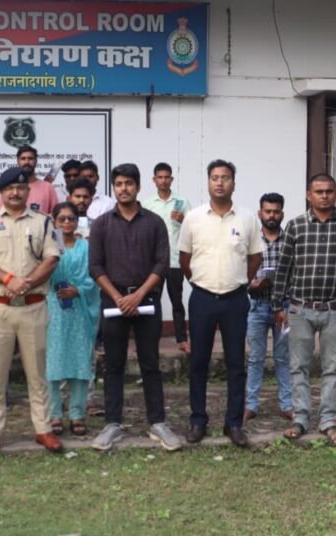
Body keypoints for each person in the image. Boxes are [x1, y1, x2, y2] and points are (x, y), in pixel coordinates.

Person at [272, 174, 336, 447]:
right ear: (309, 195)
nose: (324, 196)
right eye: (318, 192)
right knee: (298, 367)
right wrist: (277, 305)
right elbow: (283, 268)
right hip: (300, 309)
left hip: (334, 310)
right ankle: (300, 418)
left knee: (332, 369)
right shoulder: (295, 226)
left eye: (329, 191)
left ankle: (328, 420)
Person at [89, 163, 181, 452]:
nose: (124, 188)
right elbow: (95, 267)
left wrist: (138, 295)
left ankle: (157, 423)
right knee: (113, 364)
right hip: (113, 301)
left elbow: (161, 264)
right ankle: (112, 424)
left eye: (129, 183)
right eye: (119, 184)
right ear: (113, 188)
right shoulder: (101, 224)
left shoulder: (154, 223)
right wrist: (119, 297)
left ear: (139, 187)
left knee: (150, 363)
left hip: (147, 301)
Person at [0, 166, 62, 456]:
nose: (15, 192)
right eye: (9, 188)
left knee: (38, 374)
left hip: (33, 307)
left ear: (28, 191)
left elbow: (51, 258)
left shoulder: (43, 222)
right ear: (1, 192)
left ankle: (44, 428)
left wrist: (28, 283)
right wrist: (9, 280)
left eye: (20, 188)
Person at [179, 160, 263, 448]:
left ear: (233, 184)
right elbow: (184, 259)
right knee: (198, 363)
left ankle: (234, 423)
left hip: (235, 299)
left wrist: (241, 281)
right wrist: (198, 281)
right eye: (214, 178)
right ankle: (198, 420)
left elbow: (255, 257)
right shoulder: (193, 218)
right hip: (202, 298)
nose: (219, 183)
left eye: (225, 178)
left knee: (236, 364)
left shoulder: (247, 218)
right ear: (208, 182)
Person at [46, 202, 100, 436]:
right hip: (53, 309)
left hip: (80, 310)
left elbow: (95, 276)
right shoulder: (49, 247)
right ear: (54, 221)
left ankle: (77, 413)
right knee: (53, 361)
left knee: (80, 361)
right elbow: (41, 273)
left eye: (71, 218)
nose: (67, 223)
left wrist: (78, 290)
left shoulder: (86, 247)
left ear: (78, 221)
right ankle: (54, 413)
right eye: (62, 219)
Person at [243, 193, 294, 422]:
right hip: (257, 305)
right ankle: (251, 404)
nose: (271, 215)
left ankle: (287, 404)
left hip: (284, 306)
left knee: (283, 358)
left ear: (282, 214)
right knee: (255, 358)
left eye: (276, 212)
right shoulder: (251, 240)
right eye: (267, 211)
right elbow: (241, 270)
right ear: (260, 213)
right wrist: (251, 284)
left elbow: (296, 272)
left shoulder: (290, 240)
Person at [142, 162, 192, 353]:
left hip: (175, 260)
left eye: (166, 177)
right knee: (152, 302)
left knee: (177, 301)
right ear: (154, 180)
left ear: (172, 179)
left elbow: (193, 228)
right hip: (153, 262)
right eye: (160, 177)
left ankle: (182, 339)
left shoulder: (182, 202)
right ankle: (149, 341)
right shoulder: (147, 204)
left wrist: (183, 220)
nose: (163, 180)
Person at [7, 145, 58, 215]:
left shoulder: (47, 187)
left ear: (36, 161)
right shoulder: (9, 188)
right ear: (18, 161)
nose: (27, 162)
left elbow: (56, 215)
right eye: (23, 159)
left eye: (30, 158)